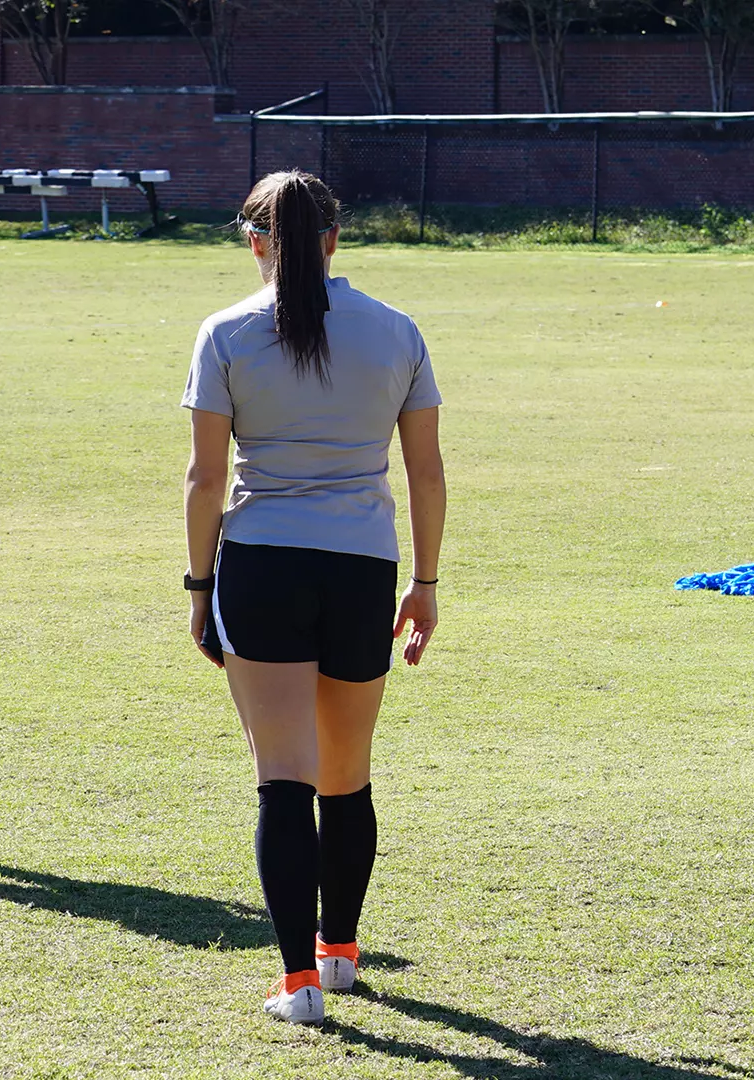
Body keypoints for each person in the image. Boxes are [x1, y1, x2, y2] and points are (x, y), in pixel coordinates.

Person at [182, 169, 446, 1025]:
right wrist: (426, 584)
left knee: (281, 779)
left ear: (253, 241)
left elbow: (204, 480)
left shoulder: (225, 333)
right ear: (334, 238)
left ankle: (298, 986)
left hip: (261, 566)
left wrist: (197, 586)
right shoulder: (396, 331)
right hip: (362, 569)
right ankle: (339, 957)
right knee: (348, 777)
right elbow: (426, 470)